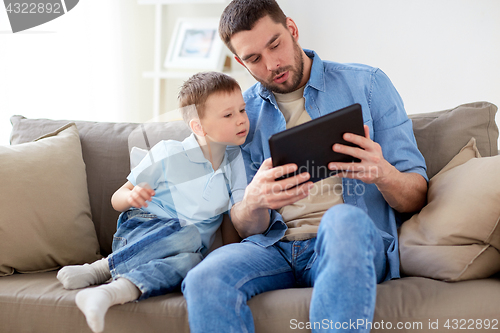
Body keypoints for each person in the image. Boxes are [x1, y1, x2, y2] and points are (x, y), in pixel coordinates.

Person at [181, 1, 428, 332]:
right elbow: (244, 228)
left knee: (343, 221)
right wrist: (254, 202)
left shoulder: (367, 85)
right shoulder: (240, 116)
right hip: (274, 247)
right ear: (241, 62)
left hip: (345, 241)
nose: (272, 64)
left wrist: (382, 172)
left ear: (292, 30)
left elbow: (416, 197)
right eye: (254, 59)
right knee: (204, 278)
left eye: (275, 44)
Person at [56, 72, 249, 333]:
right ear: (198, 127)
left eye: (242, 110)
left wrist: (229, 257)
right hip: (141, 231)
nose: (241, 119)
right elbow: (117, 198)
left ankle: (110, 293)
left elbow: (229, 219)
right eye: (229, 115)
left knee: (193, 262)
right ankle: (102, 267)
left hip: (185, 250)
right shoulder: (169, 152)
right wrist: (131, 197)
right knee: (190, 236)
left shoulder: (235, 161)